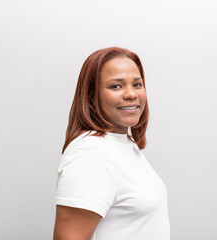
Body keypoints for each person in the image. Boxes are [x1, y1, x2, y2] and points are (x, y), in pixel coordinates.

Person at [53, 47, 170, 240]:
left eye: (137, 84)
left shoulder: (122, 143)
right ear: (92, 97)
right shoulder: (89, 154)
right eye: (116, 86)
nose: (131, 94)